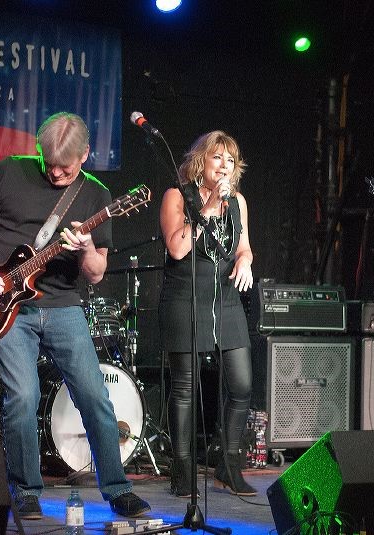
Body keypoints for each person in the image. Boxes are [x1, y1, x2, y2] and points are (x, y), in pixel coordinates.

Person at [0, 112, 151, 519]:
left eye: (66, 167)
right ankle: (26, 491)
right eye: (49, 163)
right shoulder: (10, 171)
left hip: (63, 306)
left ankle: (117, 489)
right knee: (23, 396)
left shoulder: (95, 194)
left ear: (85, 155)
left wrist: (85, 247)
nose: (56, 173)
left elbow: (96, 273)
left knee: (94, 395)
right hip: (5, 307)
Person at [158, 130, 256, 497]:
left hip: (226, 301)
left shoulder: (238, 202)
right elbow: (177, 248)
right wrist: (210, 206)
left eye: (231, 160)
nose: (225, 166)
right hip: (185, 298)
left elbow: (244, 247)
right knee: (185, 388)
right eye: (218, 157)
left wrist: (245, 261)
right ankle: (182, 469)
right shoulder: (177, 195)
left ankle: (228, 466)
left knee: (242, 386)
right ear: (202, 161)